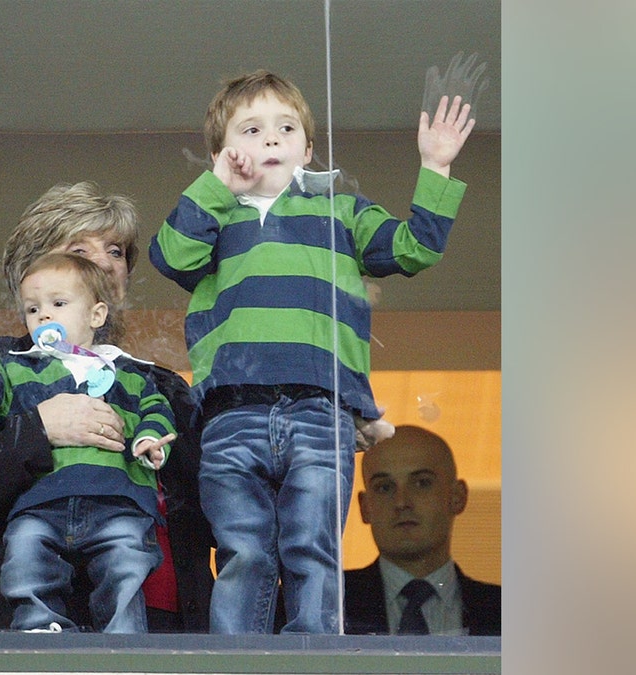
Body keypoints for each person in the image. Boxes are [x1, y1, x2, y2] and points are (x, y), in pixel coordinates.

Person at [148, 70, 474, 634]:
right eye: (251, 129)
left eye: (286, 127)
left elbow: (414, 249)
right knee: (243, 551)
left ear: (309, 148)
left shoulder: (341, 212)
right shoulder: (213, 219)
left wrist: (436, 167)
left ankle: (313, 658)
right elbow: (170, 258)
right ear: (223, 153)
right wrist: (214, 187)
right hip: (231, 414)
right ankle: (237, 665)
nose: (271, 139)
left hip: (321, 413)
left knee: (313, 546)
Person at [0, 182, 213, 632]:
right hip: (38, 630)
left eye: (116, 251)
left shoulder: (162, 385)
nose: (103, 262)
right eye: (80, 249)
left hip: (163, 626)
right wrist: (41, 428)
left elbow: (214, 521)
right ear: (35, 271)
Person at [0, 252, 177, 633]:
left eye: (58, 304)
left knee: (128, 560)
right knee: (22, 554)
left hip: (116, 498)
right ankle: (38, 625)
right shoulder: (18, 368)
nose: (44, 316)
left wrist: (152, 439)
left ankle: (125, 636)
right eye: (33, 309)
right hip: (40, 502)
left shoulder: (128, 372)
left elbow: (156, 409)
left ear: (96, 315)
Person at [343, 425, 500, 636]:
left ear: (457, 497)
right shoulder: (321, 608)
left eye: (421, 483)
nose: (401, 502)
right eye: (384, 487)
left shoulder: (514, 616)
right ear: (365, 507)